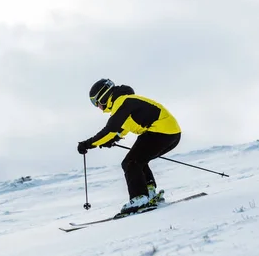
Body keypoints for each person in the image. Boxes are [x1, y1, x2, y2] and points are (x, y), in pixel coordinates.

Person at [77, 78, 182, 214]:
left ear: (103, 96)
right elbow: (122, 128)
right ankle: (149, 193)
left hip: (160, 132)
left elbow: (110, 129)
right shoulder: (126, 101)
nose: (97, 106)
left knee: (130, 162)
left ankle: (139, 198)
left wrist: (88, 144)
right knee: (139, 160)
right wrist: (112, 139)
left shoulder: (122, 102)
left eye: (95, 101)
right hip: (171, 134)